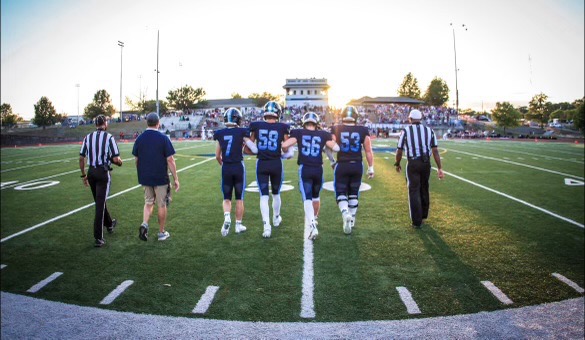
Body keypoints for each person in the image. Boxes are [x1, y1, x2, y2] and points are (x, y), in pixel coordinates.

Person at [281, 112, 339, 240]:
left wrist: (285, 151)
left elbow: (285, 145)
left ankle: (312, 225)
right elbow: (336, 148)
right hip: (318, 169)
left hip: (305, 168)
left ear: (304, 122)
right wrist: (327, 148)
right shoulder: (323, 134)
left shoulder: (299, 132)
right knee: (316, 196)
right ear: (316, 123)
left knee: (307, 197)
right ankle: (315, 219)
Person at [132, 112, 180, 241]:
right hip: (160, 177)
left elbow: (136, 160)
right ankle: (161, 232)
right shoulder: (163, 138)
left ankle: (145, 224)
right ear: (158, 123)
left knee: (148, 203)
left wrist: (141, 172)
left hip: (145, 176)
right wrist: (176, 178)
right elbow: (170, 160)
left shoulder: (139, 138)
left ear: (147, 122)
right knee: (161, 204)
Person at [394, 109, 445, 229]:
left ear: (410, 119)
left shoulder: (406, 131)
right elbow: (435, 150)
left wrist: (397, 163)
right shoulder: (429, 130)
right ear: (420, 119)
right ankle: (423, 215)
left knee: (413, 190)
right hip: (426, 163)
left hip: (413, 163)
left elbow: (399, 150)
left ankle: (417, 221)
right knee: (424, 187)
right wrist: (440, 168)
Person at [328, 105, 374, 235]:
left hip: (342, 164)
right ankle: (352, 220)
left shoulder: (336, 128)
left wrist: (332, 161)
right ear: (355, 116)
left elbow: (330, 146)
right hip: (357, 164)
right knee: (354, 192)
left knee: (341, 191)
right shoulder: (363, 130)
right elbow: (368, 150)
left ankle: (345, 213)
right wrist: (371, 168)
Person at [79, 115, 123, 247]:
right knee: (100, 204)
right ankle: (98, 237)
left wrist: (84, 175)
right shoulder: (109, 137)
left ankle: (109, 224)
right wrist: (119, 162)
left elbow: (81, 158)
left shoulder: (88, 137)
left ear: (95, 125)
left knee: (100, 201)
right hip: (102, 173)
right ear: (105, 123)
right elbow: (116, 159)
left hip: (91, 172)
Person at [248, 101, 291, 238]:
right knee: (276, 193)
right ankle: (276, 218)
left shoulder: (256, 126)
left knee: (264, 196)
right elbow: (285, 146)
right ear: (278, 113)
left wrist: (258, 151)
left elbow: (248, 148)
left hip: (262, 163)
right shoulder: (282, 127)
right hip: (276, 163)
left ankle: (267, 226)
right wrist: (284, 154)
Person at [213, 107, 258, 237]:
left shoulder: (220, 133)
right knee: (239, 198)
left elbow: (217, 155)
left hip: (226, 167)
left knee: (226, 198)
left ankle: (227, 217)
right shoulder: (242, 132)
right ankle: (238, 225)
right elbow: (254, 149)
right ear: (238, 119)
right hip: (238, 167)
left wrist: (223, 164)